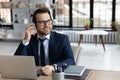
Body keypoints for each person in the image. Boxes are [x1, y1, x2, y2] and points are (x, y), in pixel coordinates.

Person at [14, 7, 75, 76]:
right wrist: (25, 41)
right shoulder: (30, 39)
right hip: (35, 76)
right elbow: (17, 61)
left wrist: (54, 67)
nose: (46, 25)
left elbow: (71, 61)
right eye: (41, 22)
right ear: (35, 25)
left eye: (48, 21)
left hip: (54, 76)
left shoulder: (62, 39)